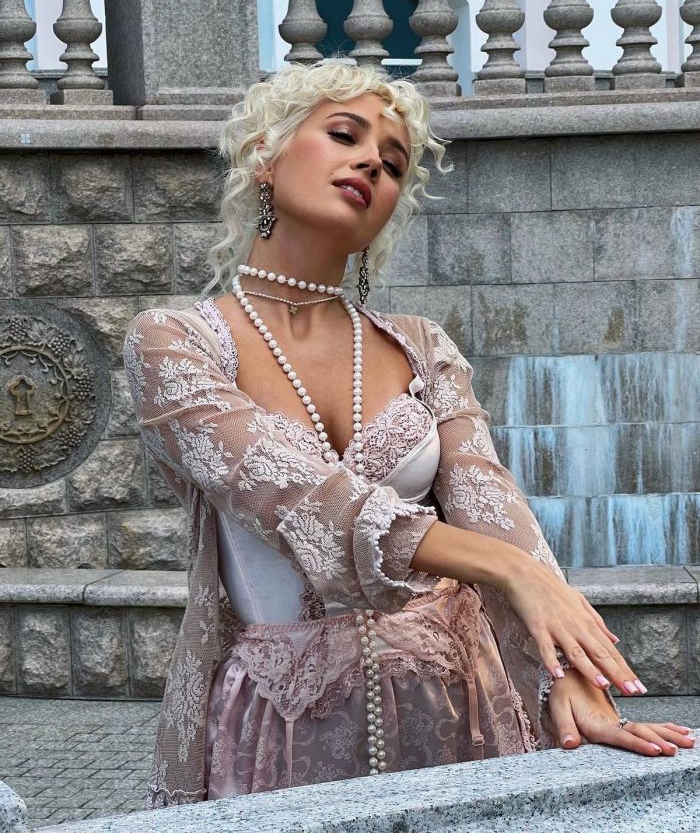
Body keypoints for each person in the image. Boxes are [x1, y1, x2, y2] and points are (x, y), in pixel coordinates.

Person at [123, 60, 694, 809]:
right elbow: (300, 499)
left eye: (393, 164)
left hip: (460, 706)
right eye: (344, 135)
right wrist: (508, 571)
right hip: (283, 727)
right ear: (265, 155)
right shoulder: (173, 341)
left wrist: (573, 677)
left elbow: (493, 505)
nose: (371, 162)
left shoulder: (422, 345)